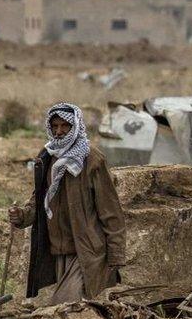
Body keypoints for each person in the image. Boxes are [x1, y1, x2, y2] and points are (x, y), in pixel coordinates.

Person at [9, 102, 126, 304]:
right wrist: (21, 216)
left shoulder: (92, 159)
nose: (59, 131)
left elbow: (111, 211)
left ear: (76, 127)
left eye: (65, 126)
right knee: (75, 309)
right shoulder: (47, 157)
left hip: (87, 251)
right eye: (55, 127)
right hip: (58, 251)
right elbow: (39, 201)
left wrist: (115, 255)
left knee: (64, 305)